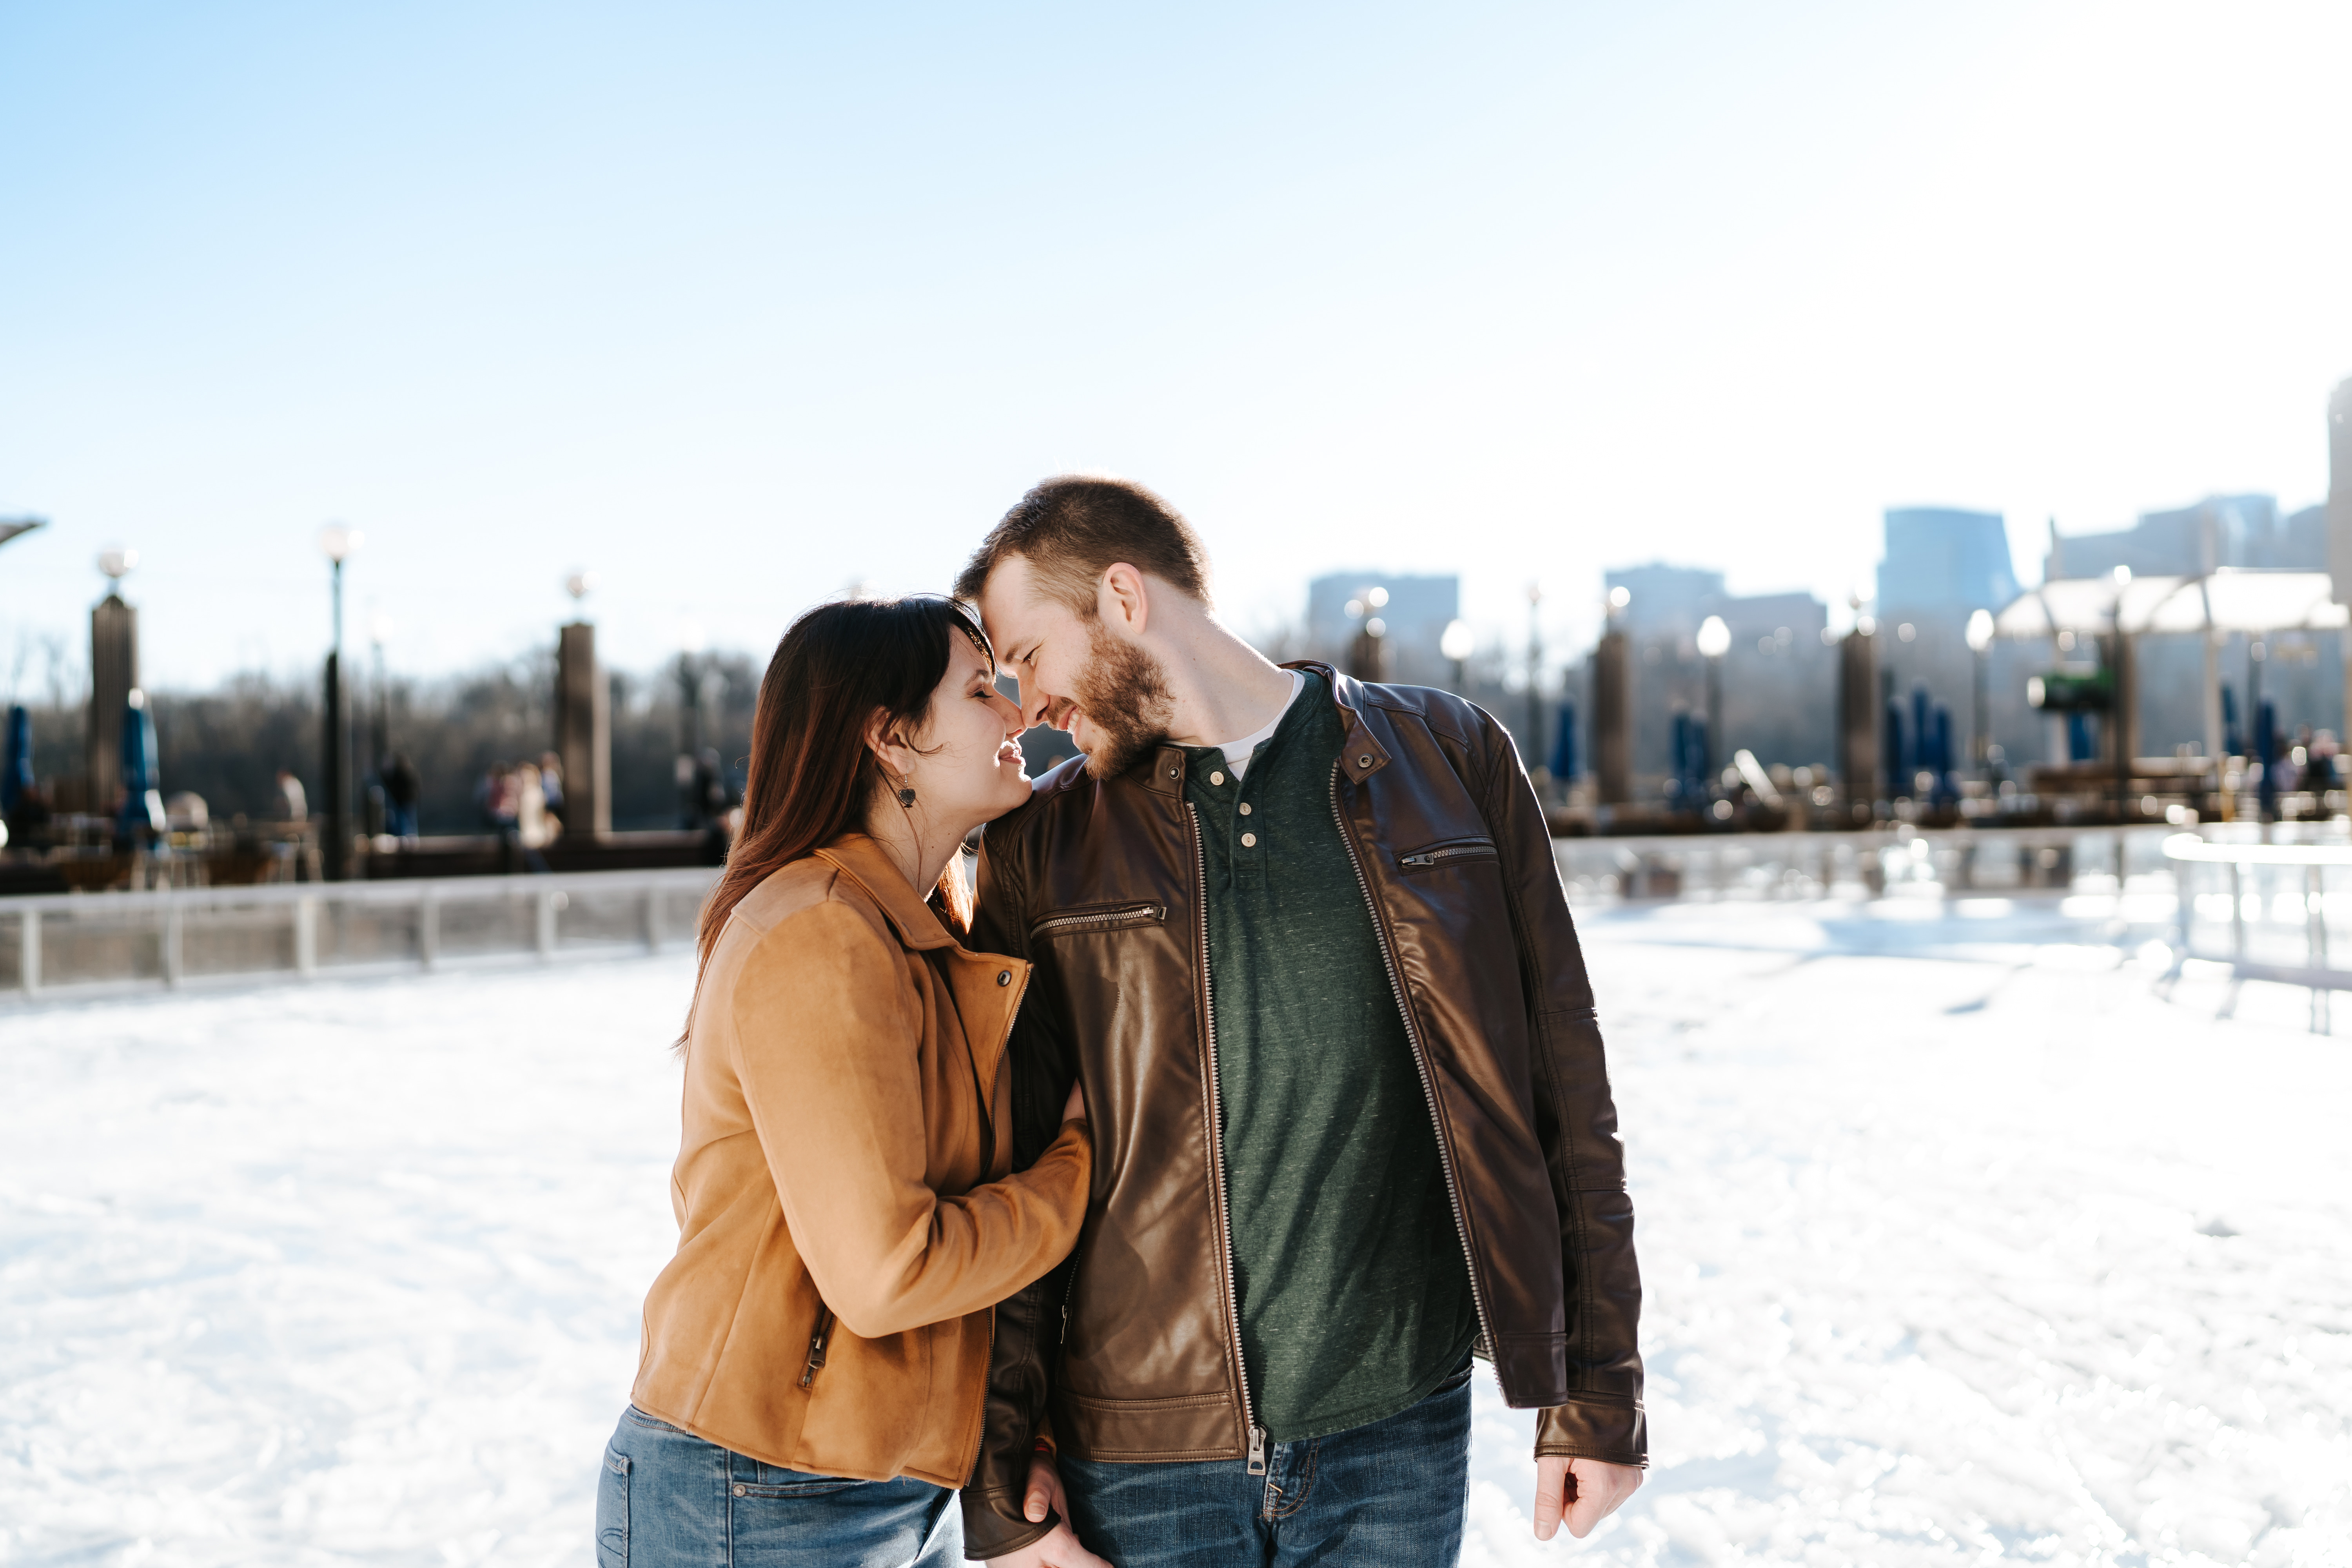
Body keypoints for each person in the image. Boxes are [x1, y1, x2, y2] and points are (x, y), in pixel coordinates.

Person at [954, 477, 1646, 1567]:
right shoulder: (1042, 847)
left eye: (1028, 656)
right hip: (1137, 1448)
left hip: (1396, 1432)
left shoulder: (1449, 761)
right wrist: (1000, 1472)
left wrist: (1600, 1385)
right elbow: (1008, 1154)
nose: (1025, 701)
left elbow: (1566, 1084)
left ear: (1124, 599)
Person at [599, 596, 1095, 1567]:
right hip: (757, 1494)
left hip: (880, 1486)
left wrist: (1020, 1440)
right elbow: (887, 1273)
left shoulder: (914, 936)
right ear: (891, 739)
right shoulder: (821, 934)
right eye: (980, 690)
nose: (1019, 712)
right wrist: (1081, 1167)